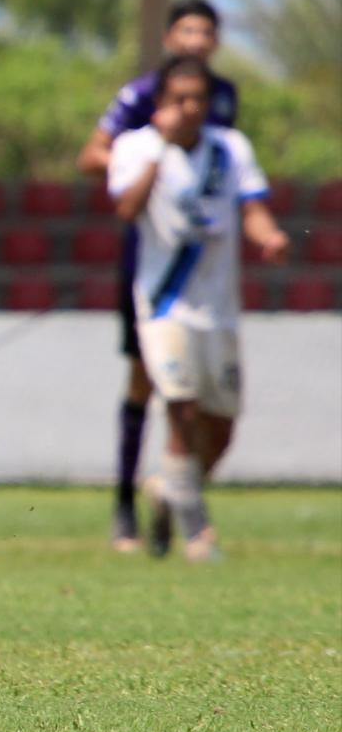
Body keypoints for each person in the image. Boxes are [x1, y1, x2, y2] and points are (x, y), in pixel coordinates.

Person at [107, 55, 287, 562]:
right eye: (178, 99)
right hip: (164, 303)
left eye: (198, 100)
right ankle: (197, 532)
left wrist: (269, 236)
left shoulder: (230, 149)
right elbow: (125, 208)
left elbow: (251, 208)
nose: (189, 109)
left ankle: (168, 489)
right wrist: (160, 150)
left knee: (221, 428)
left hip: (219, 306)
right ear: (161, 103)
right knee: (180, 407)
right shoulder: (135, 146)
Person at [76, 0, 239, 552]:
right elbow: (92, 156)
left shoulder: (225, 99)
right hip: (154, 260)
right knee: (149, 382)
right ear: (171, 36)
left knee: (203, 402)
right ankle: (126, 502)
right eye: (186, 30)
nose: (195, 40)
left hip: (208, 268)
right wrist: (143, 154)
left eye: (205, 31)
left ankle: (170, 490)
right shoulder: (141, 97)